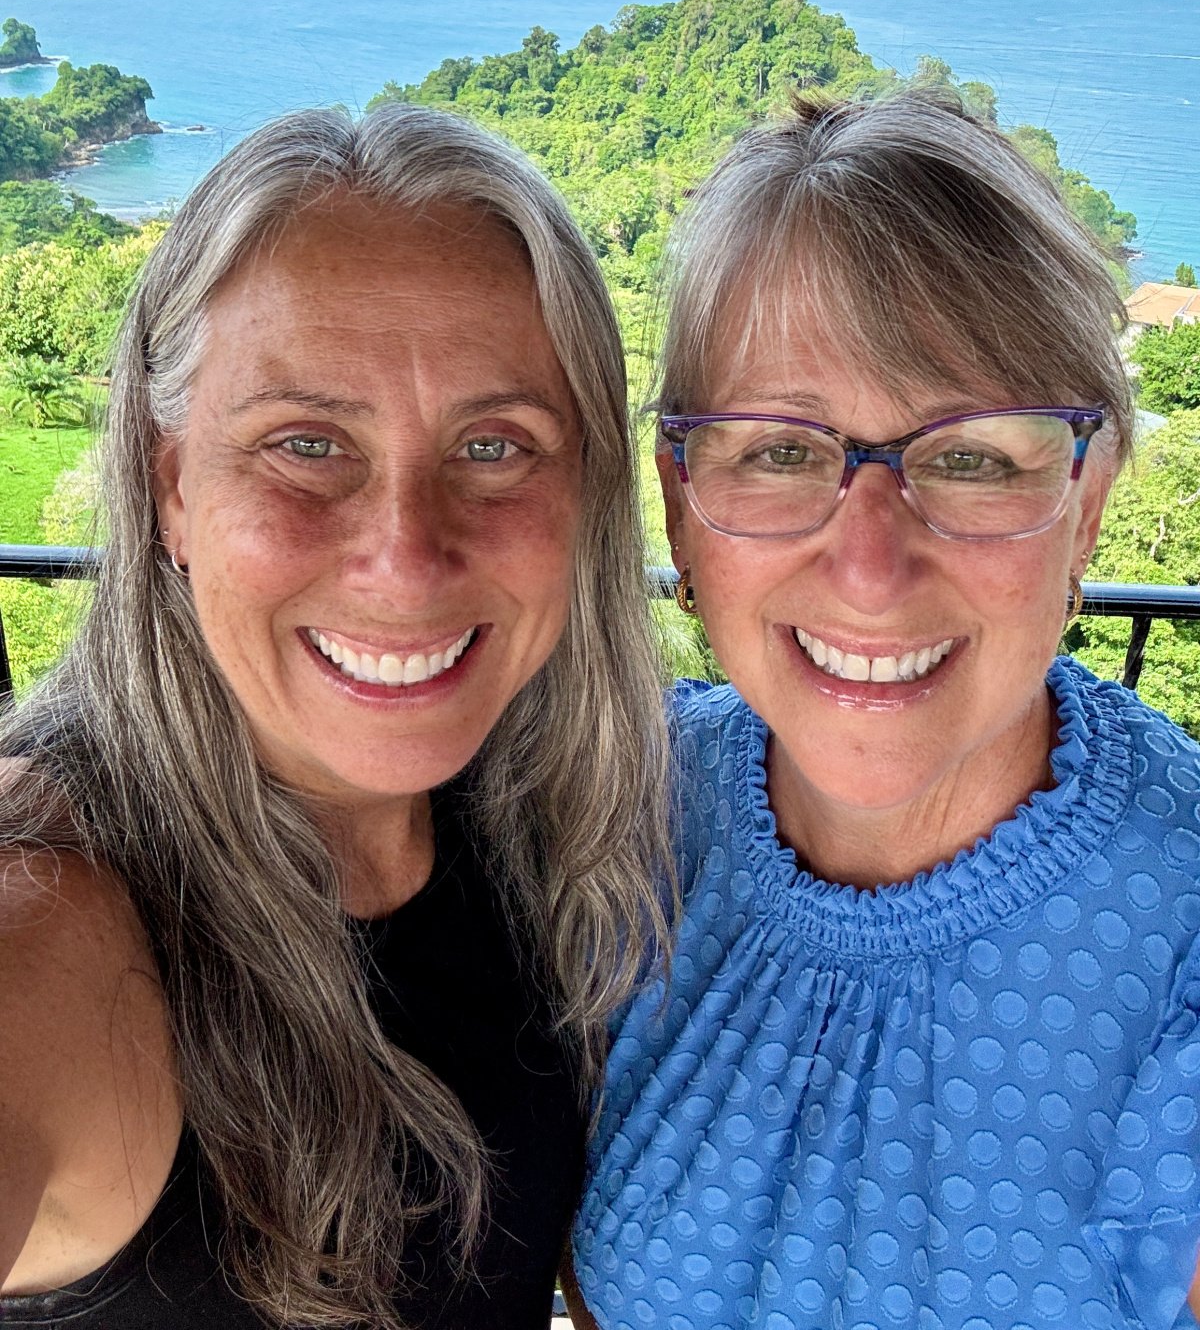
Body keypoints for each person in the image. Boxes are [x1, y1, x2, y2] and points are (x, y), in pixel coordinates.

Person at [0, 104, 672, 1330]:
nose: (407, 558)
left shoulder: (540, 810)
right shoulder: (51, 916)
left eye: (494, 442)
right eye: (306, 442)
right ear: (172, 491)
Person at [571, 92, 1200, 1330]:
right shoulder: (616, 817)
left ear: (1085, 502)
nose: (868, 567)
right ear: (681, 500)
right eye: (778, 451)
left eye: (970, 457)